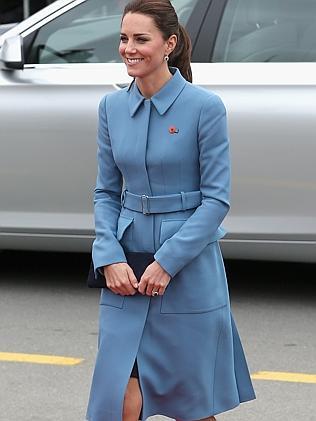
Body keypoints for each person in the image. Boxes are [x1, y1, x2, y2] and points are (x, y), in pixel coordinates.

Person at [86, 1, 256, 420]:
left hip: (188, 270)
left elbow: (216, 199)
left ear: (170, 44)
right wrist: (107, 255)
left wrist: (167, 262)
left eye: (141, 39)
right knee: (122, 399)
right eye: (124, 38)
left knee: (192, 407)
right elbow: (106, 192)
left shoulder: (204, 107)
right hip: (127, 270)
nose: (129, 48)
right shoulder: (111, 109)